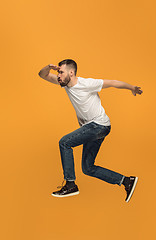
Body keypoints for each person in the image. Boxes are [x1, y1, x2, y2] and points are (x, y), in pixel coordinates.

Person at [38, 59, 143, 202]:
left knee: (64, 143)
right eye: (58, 73)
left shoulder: (86, 84)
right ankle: (126, 181)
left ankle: (70, 184)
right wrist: (49, 67)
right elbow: (42, 75)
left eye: (61, 72)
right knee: (88, 168)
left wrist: (131, 88)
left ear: (71, 72)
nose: (58, 75)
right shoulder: (64, 83)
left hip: (98, 125)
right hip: (96, 128)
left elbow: (112, 83)